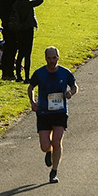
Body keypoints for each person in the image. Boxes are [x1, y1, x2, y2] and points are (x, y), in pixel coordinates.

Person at [27, 46, 77, 184]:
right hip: (43, 112)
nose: (51, 61)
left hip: (60, 112)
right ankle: (48, 152)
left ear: (58, 58)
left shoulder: (65, 73)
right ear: (45, 58)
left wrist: (70, 93)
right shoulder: (40, 73)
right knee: (44, 145)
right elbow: (31, 87)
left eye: (54, 58)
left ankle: (54, 172)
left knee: (56, 141)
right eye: (49, 58)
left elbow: (74, 86)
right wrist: (33, 102)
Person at [9, 0, 43, 82]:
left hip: (19, 30)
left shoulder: (17, 2)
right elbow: (39, 1)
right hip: (27, 29)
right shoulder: (26, 4)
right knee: (27, 54)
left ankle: (19, 75)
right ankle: (27, 76)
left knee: (20, 53)